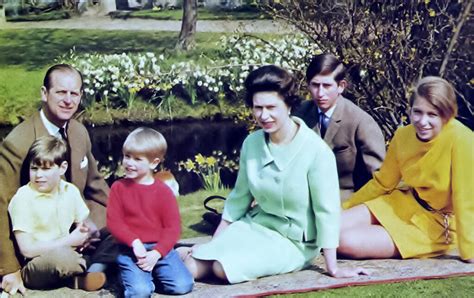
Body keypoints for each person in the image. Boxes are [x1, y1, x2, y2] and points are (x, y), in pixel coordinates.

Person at [179, 65, 368, 284]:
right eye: (257, 108)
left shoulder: (316, 151)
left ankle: (181, 254)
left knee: (223, 269)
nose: (264, 115)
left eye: (271, 107)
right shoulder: (252, 143)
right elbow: (239, 199)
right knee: (192, 267)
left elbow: (327, 212)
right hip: (254, 226)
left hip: (294, 243)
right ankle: (173, 257)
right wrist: (215, 242)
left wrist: (333, 267)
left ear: (288, 105)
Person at [0, 64, 112, 295]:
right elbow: (0, 204)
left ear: (81, 96)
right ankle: (87, 268)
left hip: (72, 224)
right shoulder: (18, 143)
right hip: (38, 244)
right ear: (44, 93)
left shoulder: (78, 132)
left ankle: (92, 264)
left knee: (121, 230)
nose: (68, 100)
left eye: (74, 94)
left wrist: (122, 218)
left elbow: (96, 184)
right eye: (61, 92)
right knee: (63, 259)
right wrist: (8, 269)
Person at [338, 76, 473, 263]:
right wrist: (344, 208)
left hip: (436, 225)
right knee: (330, 227)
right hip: (404, 203)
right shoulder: (403, 135)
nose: (422, 121)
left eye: (432, 115)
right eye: (417, 112)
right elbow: (382, 183)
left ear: (446, 115)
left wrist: (470, 250)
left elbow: (465, 199)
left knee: (344, 241)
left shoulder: (462, 139)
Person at [7, 136, 106, 291]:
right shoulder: (23, 198)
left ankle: (86, 273)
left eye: (46, 169)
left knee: (112, 235)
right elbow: (27, 249)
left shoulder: (69, 190)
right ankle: (90, 270)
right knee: (64, 259)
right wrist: (70, 240)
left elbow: (84, 221)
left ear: (62, 168)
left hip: (70, 251)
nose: (39, 175)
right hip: (39, 262)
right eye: (34, 168)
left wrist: (89, 233)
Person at [107, 127, 194, 297]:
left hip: (160, 249)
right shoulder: (119, 188)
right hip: (131, 250)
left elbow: (172, 228)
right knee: (140, 292)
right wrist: (134, 242)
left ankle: (152, 274)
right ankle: (130, 276)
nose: (129, 163)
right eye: (127, 156)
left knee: (183, 286)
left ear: (153, 163)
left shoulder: (163, 192)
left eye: (137, 159)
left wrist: (157, 253)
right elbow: (114, 222)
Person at [293, 53, 386, 201]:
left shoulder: (360, 122)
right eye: (315, 85)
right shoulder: (299, 114)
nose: (320, 93)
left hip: (346, 202)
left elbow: (380, 179)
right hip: (303, 199)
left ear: (341, 86)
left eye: (327, 85)